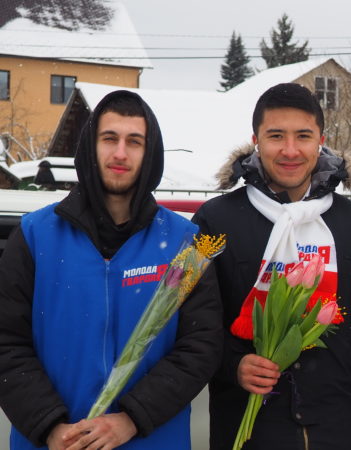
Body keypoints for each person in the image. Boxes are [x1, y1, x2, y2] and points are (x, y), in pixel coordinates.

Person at [0, 90, 223, 449]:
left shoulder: (187, 245)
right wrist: (49, 426)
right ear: (91, 146)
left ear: (150, 153)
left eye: (134, 142)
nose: (120, 153)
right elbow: (6, 343)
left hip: (151, 441)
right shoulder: (34, 236)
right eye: (110, 139)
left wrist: (132, 418)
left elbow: (201, 347)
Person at [193, 83, 351, 450]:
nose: (290, 150)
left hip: (335, 422)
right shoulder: (218, 220)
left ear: (320, 139)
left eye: (303, 136)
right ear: (256, 139)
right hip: (248, 425)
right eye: (276, 136)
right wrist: (234, 364)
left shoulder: (349, 221)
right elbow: (195, 324)